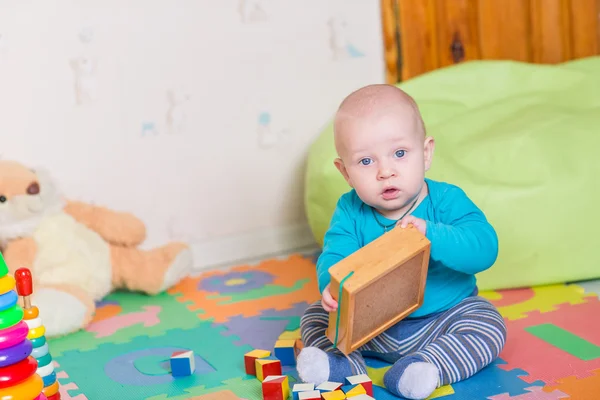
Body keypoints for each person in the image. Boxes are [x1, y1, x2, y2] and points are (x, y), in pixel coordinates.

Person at [296, 84, 507, 399]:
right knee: (314, 314)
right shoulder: (350, 210)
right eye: (366, 161)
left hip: (442, 320)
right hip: (369, 328)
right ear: (345, 172)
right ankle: (343, 365)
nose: (386, 171)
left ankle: (425, 366)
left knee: (488, 322)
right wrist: (331, 285)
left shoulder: (447, 200)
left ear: (426, 153)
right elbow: (335, 253)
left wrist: (432, 233)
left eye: (399, 153)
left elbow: (484, 248)